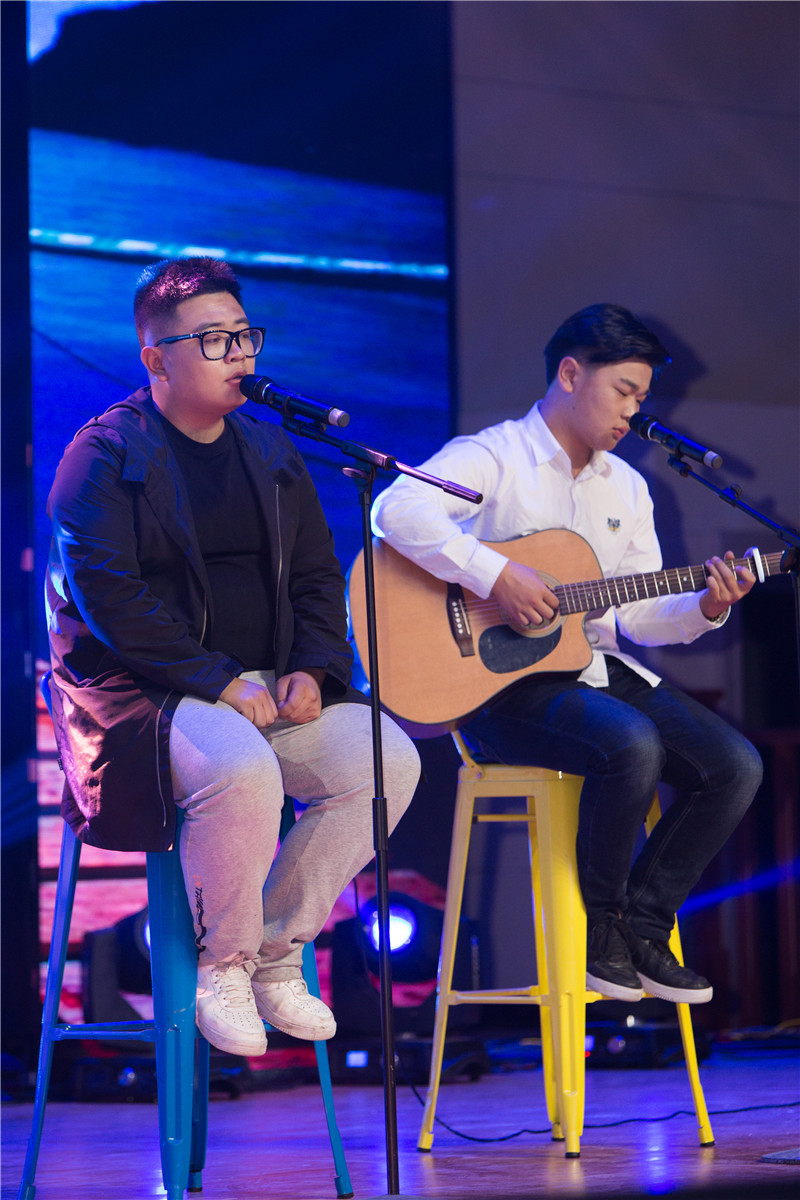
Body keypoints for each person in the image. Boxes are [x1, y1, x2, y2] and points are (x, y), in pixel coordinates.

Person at [46, 256, 420, 1057]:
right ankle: (226, 964)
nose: (240, 356)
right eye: (214, 340)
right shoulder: (101, 456)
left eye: (245, 337)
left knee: (386, 761)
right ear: (156, 358)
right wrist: (216, 680)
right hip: (145, 698)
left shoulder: (270, 450)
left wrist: (315, 668)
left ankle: (279, 953)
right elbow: (112, 601)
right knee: (242, 770)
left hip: (262, 688)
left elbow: (317, 575)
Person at [372, 302, 762, 1005]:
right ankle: (599, 932)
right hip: (497, 688)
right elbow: (395, 510)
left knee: (735, 766)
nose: (633, 412)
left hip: (596, 672)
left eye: (642, 398)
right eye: (624, 391)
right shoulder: (493, 456)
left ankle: (643, 928)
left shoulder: (628, 488)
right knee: (631, 742)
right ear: (572, 374)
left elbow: (636, 614)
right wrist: (496, 575)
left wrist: (706, 606)